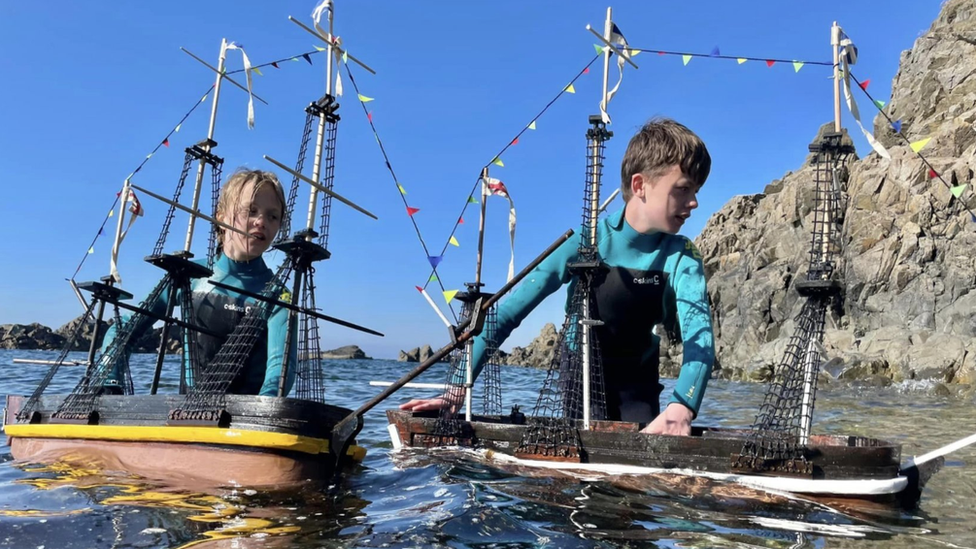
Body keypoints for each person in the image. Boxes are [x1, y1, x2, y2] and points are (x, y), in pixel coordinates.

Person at [401, 118, 715, 436]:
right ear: (640, 186)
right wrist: (457, 390)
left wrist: (682, 407)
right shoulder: (586, 243)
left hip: (638, 376)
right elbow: (506, 314)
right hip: (582, 372)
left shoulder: (683, 256)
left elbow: (699, 339)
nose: (694, 202)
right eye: (683, 188)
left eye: (697, 190)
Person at [101, 168, 296, 396]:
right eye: (250, 211)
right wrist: (110, 379)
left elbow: (281, 368)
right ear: (221, 218)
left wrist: (265, 408)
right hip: (187, 419)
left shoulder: (278, 295)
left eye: (273, 216)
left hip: (246, 421)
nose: (261, 221)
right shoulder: (188, 275)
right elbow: (124, 327)